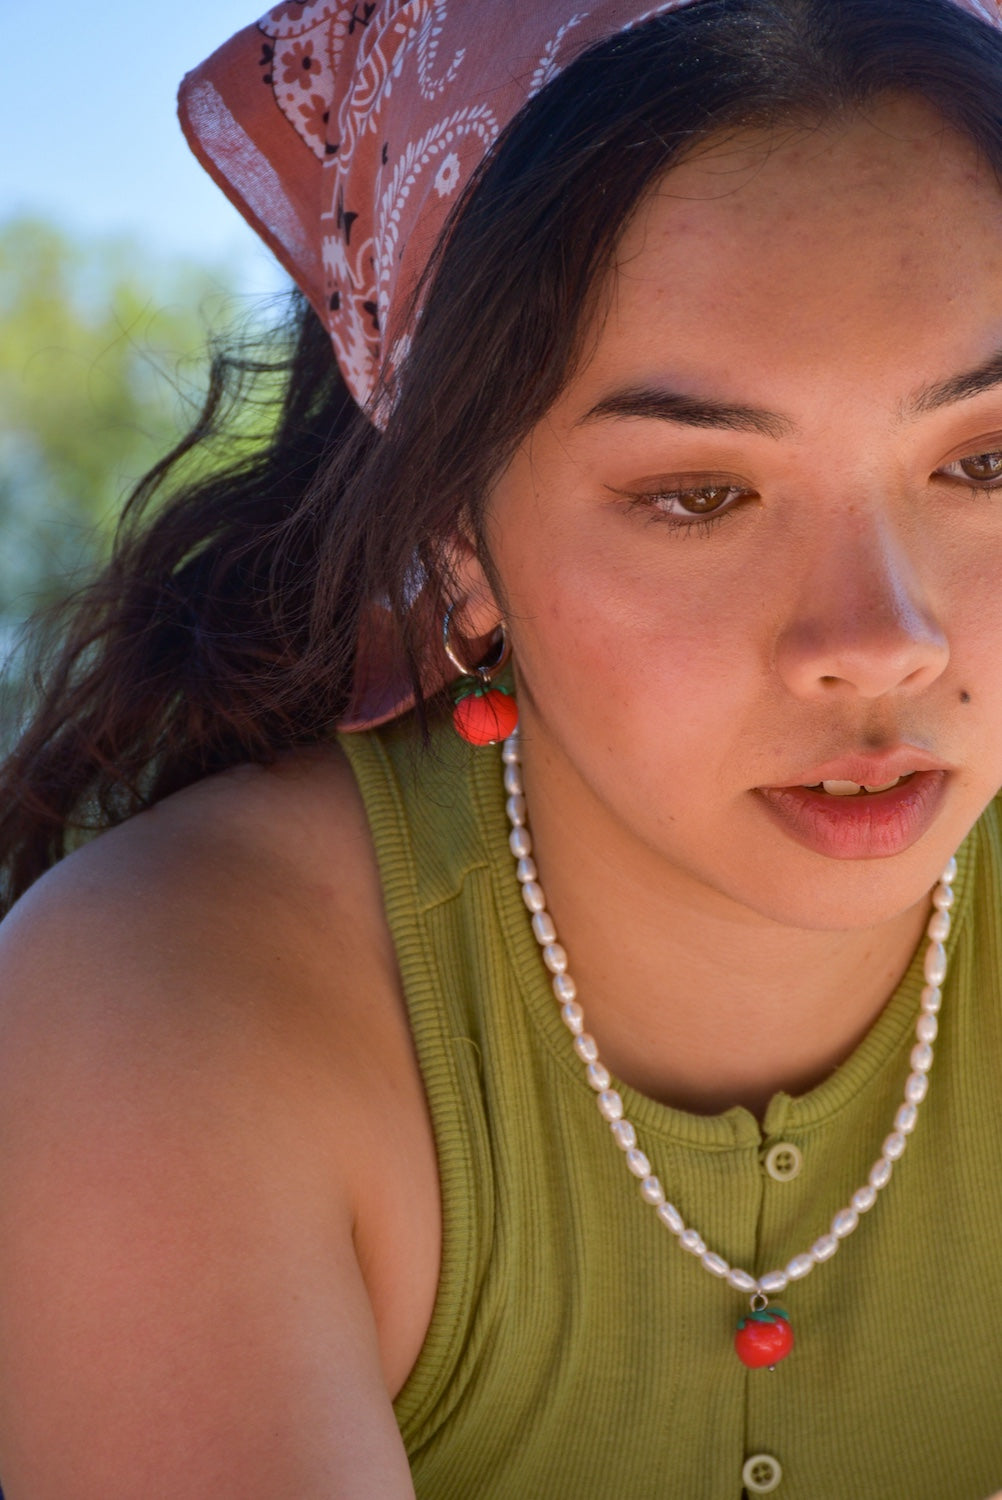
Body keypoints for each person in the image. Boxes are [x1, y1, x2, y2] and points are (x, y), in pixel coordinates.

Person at [2, 0, 1002, 1493]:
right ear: (452, 539)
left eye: (982, 461)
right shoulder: (164, 1011)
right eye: (697, 495)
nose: (876, 637)